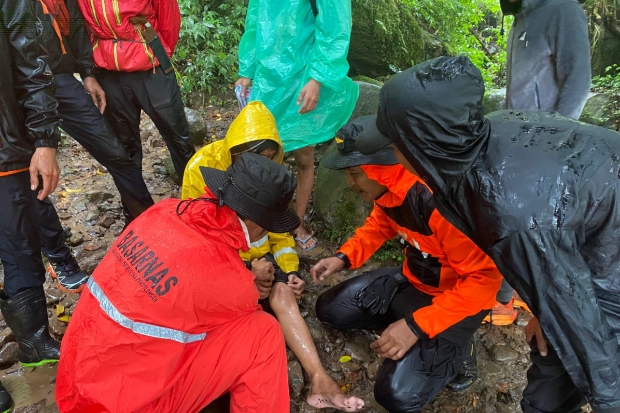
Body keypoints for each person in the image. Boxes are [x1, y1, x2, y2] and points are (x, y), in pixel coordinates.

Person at [356, 55, 620, 413]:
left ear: (423, 146)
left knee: (572, 384)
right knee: (554, 348)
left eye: (395, 144)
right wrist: (544, 310)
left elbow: (590, 337)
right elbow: (556, 230)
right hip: (582, 229)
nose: (393, 153)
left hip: (607, 259)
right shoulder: (482, 136)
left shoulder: (507, 210)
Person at [56, 154, 300, 413]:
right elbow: (222, 291)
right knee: (263, 332)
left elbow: (189, 266)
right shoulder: (232, 283)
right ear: (256, 223)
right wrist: (248, 278)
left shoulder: (164, 210)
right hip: (125, 404)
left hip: (74, 388)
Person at [311, 116, 503, 412]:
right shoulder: (389, 192)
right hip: (413, 281)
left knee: (396, 396)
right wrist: (342, 257)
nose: (350, 183)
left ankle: (458, 349)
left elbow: (485, 281)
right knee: (330, 309)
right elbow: (379, 226)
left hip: (456, 302)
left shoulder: (438, 202)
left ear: (379, 170)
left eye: (354, 174)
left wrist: (415, 327)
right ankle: (406, 324)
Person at [182, 102, 364, 412]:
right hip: (219, 255)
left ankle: (318, 377)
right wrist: (245, 272)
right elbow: (196, 237)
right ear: (233, 153)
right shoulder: (201, 168)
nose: (259, 164)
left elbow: (279, 230)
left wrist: (289, 269)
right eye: (250, 157)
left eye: (267, 158)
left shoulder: (272, 175)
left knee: (282, 291)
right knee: (242, 311)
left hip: (257, 253)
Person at [33, 0, 157, 293]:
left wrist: (87, 73)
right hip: (18, 88)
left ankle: (150, 224)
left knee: (115, 153)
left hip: (61, 80)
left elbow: (75, 26)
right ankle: (58, 257)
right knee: (31, 178)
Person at [486, 0, 592, 325]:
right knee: (518, 217)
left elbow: (578, 82)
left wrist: (552, 141)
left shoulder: (563, 10)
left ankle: (505, 301)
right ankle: (518, 292)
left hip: (546, 143)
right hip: (517, 140)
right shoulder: (519, 17)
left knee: (523, 219)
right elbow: (516, 91)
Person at [236, 0, 359, 250]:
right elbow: (256, 20)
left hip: (301, 77)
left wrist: (318, 78)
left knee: (304, 157)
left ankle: (296, 223)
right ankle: (264, 220)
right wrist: (247, 70)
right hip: (268, 80)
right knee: (264, 156)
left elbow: (334, 27)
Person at [1, 0, 64, 410]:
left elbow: (31, 61)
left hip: (4, 143)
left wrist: (44, 140)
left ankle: (33, 340)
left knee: (21, 244)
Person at [75, 0, 196, 180]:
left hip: (151, 68)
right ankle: (136, 205)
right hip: (109, 72)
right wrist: (90, 70)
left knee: (177, 135)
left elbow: (169, 20)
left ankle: (195, 196)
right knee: (124, 145)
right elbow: (82, 26)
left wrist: (157, 52)